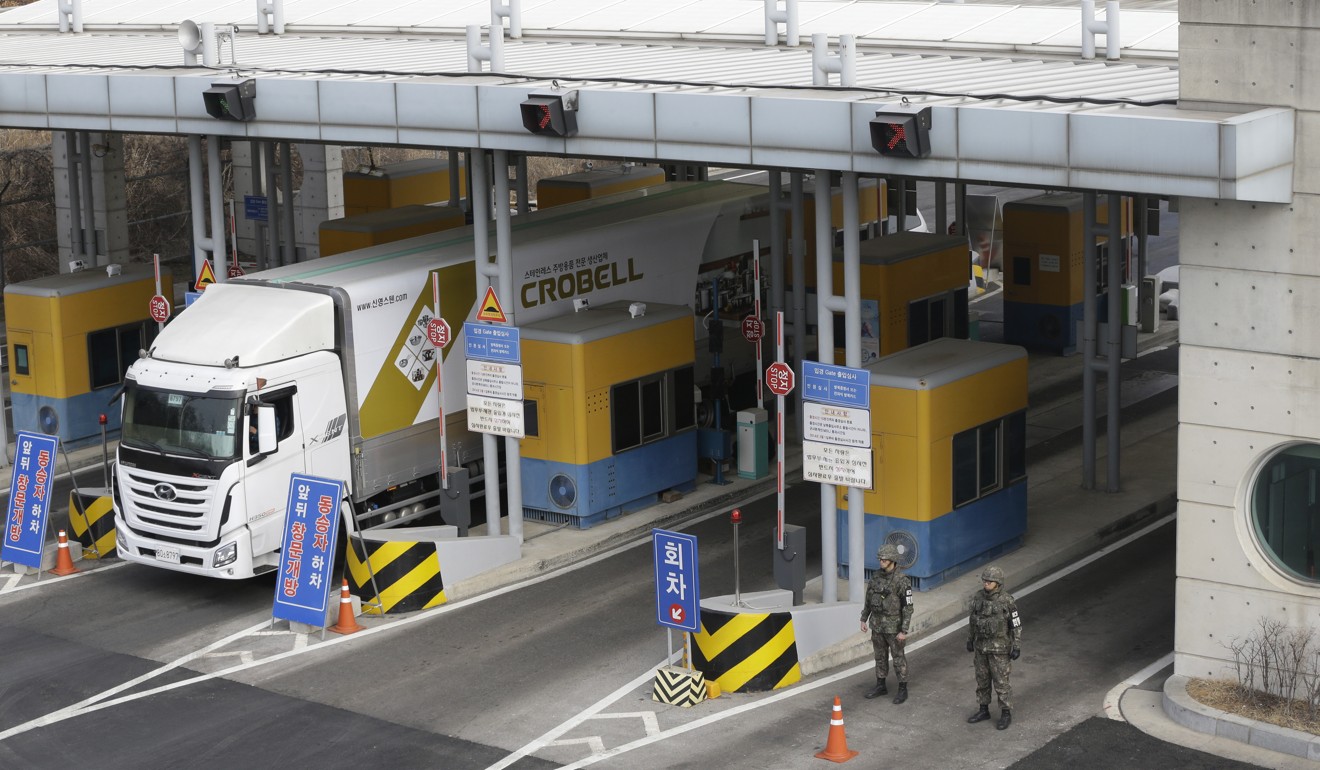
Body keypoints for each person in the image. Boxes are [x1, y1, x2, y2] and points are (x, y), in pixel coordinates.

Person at [966, 565, 1021, 730]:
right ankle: (983, 710)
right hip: (981, 647)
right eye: (985, 580)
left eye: (990, 581)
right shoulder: (978, 598)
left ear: (998, 583)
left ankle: (1005, 713)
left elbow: (1016, 625)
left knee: (1001, 682)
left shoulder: (1006, 601)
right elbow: (972, 621)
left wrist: (1016, 645)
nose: (986, 584)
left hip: (999, 650)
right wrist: (970, 639)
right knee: (982, 680)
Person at [859, 543, 913, 704]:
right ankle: (880, 685)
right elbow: (869, 599)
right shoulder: (875, 577)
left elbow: (908, 608)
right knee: (879, 657)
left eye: (884, 559)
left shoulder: (902, 581)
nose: (881, 561)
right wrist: (863, 618)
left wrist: (903, 630)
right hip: (877, 625)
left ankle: (902, 688)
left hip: (894, 627)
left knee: (898, 658)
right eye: (880, 559)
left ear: (893, 560)